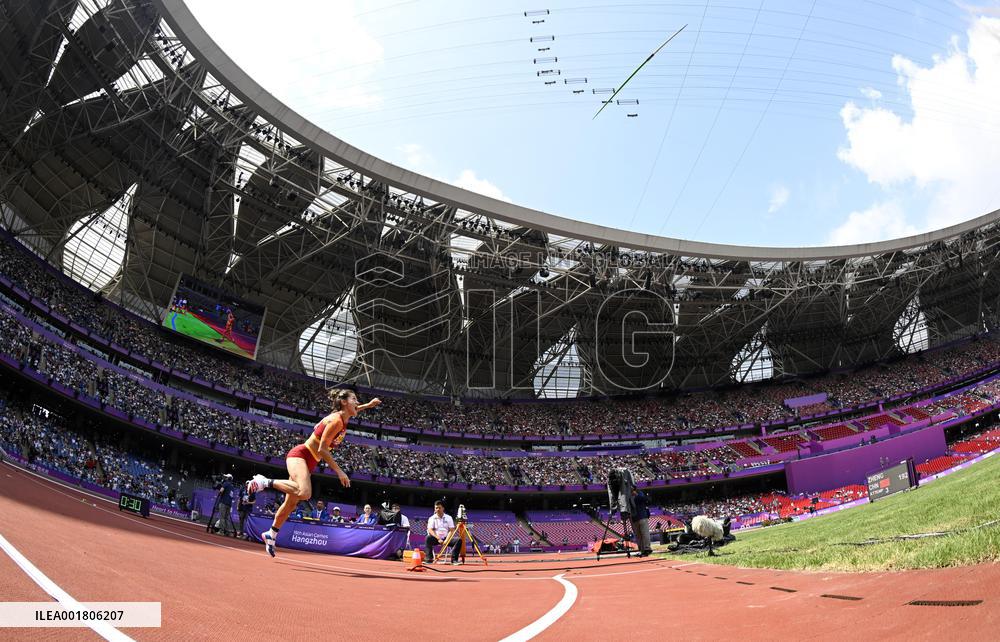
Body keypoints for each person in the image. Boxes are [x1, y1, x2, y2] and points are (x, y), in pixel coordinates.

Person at [245, 389, 381, 557]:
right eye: (354, 399)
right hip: (301, 455)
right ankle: (264, 482)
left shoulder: (344, 416)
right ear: (344, 402)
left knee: (290, 504)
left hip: (309, 462)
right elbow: (322, 449)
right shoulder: (336, 421)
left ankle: (271, 534)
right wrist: (339, 471)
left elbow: (357, 409)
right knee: (305, 492)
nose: (357, 402)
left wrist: (369, 405)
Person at [630, 488, 652, 556]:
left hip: (640, 517)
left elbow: (647, 500)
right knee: (640, 535)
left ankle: (646, 549)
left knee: (643, 534)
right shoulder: (631, 496)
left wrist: (637, 495)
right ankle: (643, 550)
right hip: (637, 518)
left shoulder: (638, 494)